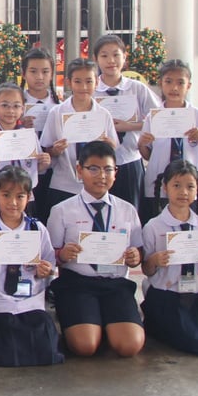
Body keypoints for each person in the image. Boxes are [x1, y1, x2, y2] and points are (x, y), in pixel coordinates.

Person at [46, 140, 145, 358]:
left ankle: (105, 324)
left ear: (116, 173)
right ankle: (93, 324)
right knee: (85, 346)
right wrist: (62, 255)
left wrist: (135, 256)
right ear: (79, 170)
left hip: (115, 284)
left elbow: (138, 251)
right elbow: (49, 256)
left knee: (130, 346)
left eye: (108, 169)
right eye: (93, 169)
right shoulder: (62, 210)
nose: (101, 176)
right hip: (77, 285)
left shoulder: (127, 210)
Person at [0, 166, 63, 366]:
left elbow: (49, 267)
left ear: (29, 197)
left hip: (30, 299)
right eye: (6, 195)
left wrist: (44, 271)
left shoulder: (37, 229)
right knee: (5, 339)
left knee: (44, 342)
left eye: (20, 196)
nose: (13, 202)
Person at [140, 160, 198, 357]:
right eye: (177, 185)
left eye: (190, 186)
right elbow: (146, 269)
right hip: (168, 294)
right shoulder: (153, 226)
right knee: (188, 339)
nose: (184, 192)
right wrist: (154, 260)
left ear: (197, 190)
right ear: (165, 187)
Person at [137, 59, 198, 221]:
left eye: (180, 83)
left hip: (187, 187)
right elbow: (148, 155)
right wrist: (142, 144)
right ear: (161, 83)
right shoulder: (154, 117)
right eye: (168, 82)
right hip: (159, 185)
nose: (174, 88)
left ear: (188, 86)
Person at [40, 58, 120, 211]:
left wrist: (110, 146)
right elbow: (46, 150)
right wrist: (55, 150)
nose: (83, 87)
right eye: (78, 81)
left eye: (89, 81)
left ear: (97, 82)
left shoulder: (103, 114)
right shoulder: (56, 113)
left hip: (96, 185)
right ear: (69, 82)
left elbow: (112, 150)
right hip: (64, 184)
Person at [93, 35, 159, 210]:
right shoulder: (91, 90)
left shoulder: (137, 88)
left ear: (124, 56)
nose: (111, 61)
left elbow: (159, 119)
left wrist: (130, 126)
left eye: (116, 55)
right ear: (96, 59)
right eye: (104, 55)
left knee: (131, 212)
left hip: (130, 159)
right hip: (99, 164)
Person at [0, 82, 50, 208]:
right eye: (4, 105)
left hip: (25, 197)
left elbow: (36, 168)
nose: (10, 110)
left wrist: (44, 163)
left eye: (16, 106)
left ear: (23, 109)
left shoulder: (30, 136)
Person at [21, 47, 60, 222]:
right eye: (33, 71)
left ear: (51, 74)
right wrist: (19, 126)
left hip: (52, 173)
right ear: (23, 74)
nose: (39, 77)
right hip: (23, 173)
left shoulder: (60, 106)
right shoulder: (14, 105)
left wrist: (56, 149)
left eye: (45, 72)